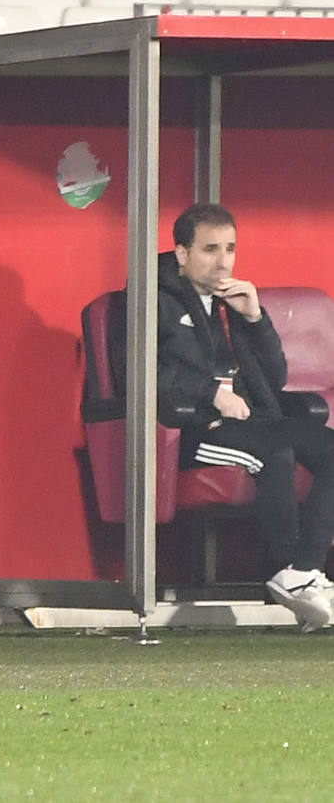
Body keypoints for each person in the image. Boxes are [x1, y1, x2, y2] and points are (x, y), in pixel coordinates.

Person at [159, 202, 334, 630]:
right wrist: (211, 395)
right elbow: (146, 374)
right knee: (272, 449)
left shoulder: (231, 301)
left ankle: (305, 570)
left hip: (255, 419)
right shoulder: (153, 300)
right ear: (182, 253)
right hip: (195, 426)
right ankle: (285, 565)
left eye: (230, 249)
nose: (223, 261)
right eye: (210, 249)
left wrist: (254, 317)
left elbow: (276, 377)